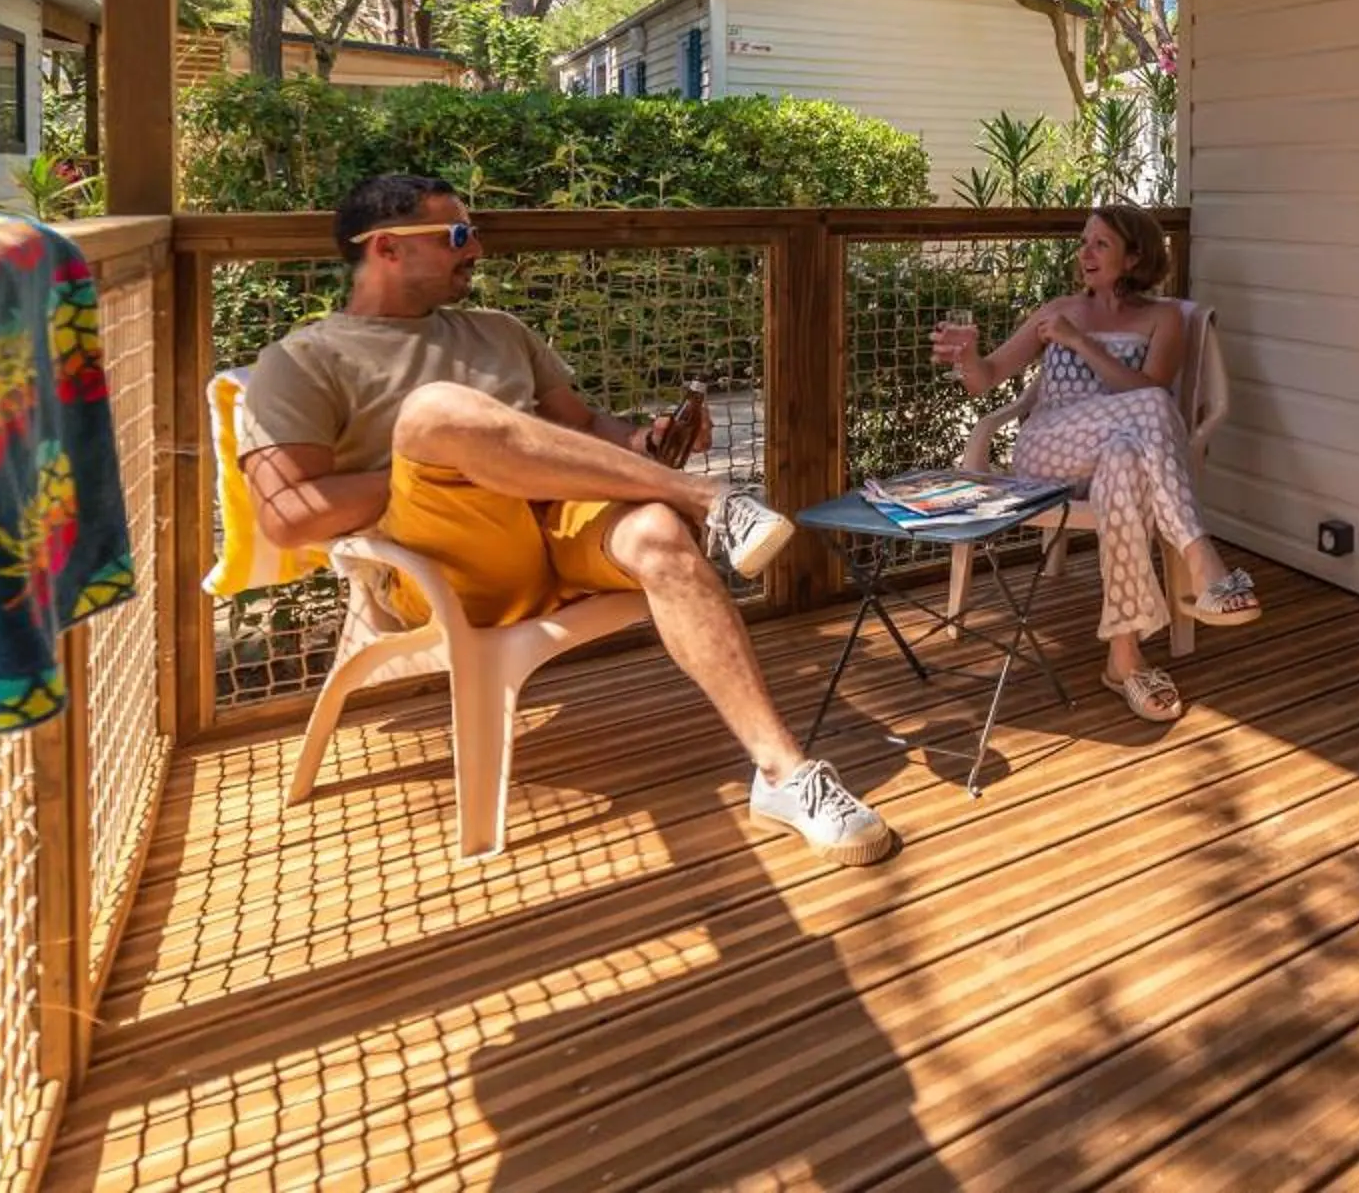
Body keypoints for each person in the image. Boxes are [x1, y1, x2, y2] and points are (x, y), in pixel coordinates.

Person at [234, 173, 894, 865]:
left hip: (555, 530)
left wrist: (644, 442)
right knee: (435, 412)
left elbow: (585, 428)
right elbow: (290, 516)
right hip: (449, 564)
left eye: (475, 231)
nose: (477, 247)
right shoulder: (305, 360)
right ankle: (710, 501)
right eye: (458, 234)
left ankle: (784, 774)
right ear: (388, 248)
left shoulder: (499, 331)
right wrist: (450, 464)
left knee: (658, 536)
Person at [930, 207, 1259, 722]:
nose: (1084, 254)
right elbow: (985, 378)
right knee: (1152, 406)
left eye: (1100, 245)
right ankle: (1200, 556)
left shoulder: (1163, 318)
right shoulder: (1056, 310)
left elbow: (1149, 387)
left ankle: (1124, 660)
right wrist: (967, 357)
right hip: (1047, 451)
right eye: (1084, 243)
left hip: (1114, 454)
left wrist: (1080, 343)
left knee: (1126, 461)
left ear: (1134, 256)